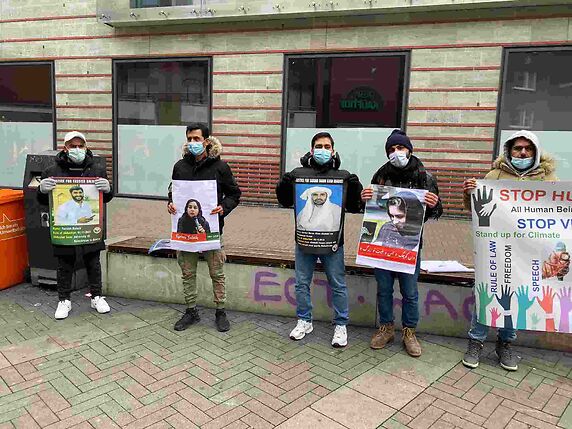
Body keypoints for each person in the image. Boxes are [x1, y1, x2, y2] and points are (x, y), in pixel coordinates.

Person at [462, 130, 557, 371]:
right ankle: (476, 341)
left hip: (528, 251)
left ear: (535, 152)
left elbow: (556, 214)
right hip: (495, 247)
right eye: (518, 149)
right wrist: (469, 193)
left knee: (516, 296)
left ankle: (505, 344)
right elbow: (477, 210)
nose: (523, 153)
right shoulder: (493, 175)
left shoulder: (548, 180)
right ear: (509, 151)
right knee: (487, 293)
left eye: (528, 149)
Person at [276, 131, 363, 348]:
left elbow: (353, 207)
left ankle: (341, 324)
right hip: (305, 241)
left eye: (326, 146)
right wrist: (283, 185)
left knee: (338, 284)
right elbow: (285, 201)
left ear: (333, 151)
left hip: (333, 242)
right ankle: (304, 320)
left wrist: (355, 189)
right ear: (311, 149)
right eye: (318, 146)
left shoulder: (342, 176)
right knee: (301, 283)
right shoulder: (299, 174)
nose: (322, 150)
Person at [362, 129, 442, 357]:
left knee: (410, 291)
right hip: (384, 247)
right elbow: (371, 209)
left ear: (409, 149)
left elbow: (438, 210)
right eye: (392, 149)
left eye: (400, 148)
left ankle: (409, 332)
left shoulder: (423, 175)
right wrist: (365, 199)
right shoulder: (380, 175)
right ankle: (386, 328)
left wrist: (434, 203)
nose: (396, 153)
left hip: (410, 245)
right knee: (384, 289)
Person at [167, 125, 241, 332]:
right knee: (187, 272)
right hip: (184, 232)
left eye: (197, 139)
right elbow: (173, 192)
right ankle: (191, 311)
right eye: (189, 139)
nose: (193, 143)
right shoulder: (179, 166)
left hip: (211, 230)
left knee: (217, 272)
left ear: (207, 141)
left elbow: (235, 194)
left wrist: (223, 208)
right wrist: (171, 203)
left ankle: (220, 311)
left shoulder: (220, 167)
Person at [38, 131, 113, 320]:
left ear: (86, 147)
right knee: (65, 264)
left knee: (93, 262)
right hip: (65, 230)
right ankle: (64, 300)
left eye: (81, 146)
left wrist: (109, 189)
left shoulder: (97, 170)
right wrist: (41, 190)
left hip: (90, 230)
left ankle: (96, 296)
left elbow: (106, 199)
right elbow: (43, 200)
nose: (77, 149)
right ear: (65, 148)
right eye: (73, 146)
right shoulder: (51, 171)